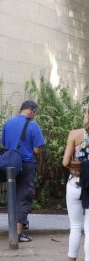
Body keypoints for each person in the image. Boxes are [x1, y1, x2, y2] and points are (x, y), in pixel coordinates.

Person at [1, 100, 45, 242]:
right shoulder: (33, 125)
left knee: (13, 195)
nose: (34, 115)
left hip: (10, 164)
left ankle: (16, 226)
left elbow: (3, 143)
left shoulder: (8, 123)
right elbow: (37, 150)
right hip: (26, 164)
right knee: (25, 195)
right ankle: (18, 234)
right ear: (31, 111)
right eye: (35, 113)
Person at [62, 105, 89, 261]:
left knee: (76, 227)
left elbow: (65, 162)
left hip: (75, 184)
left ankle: (72, 259)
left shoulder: (75, 134)